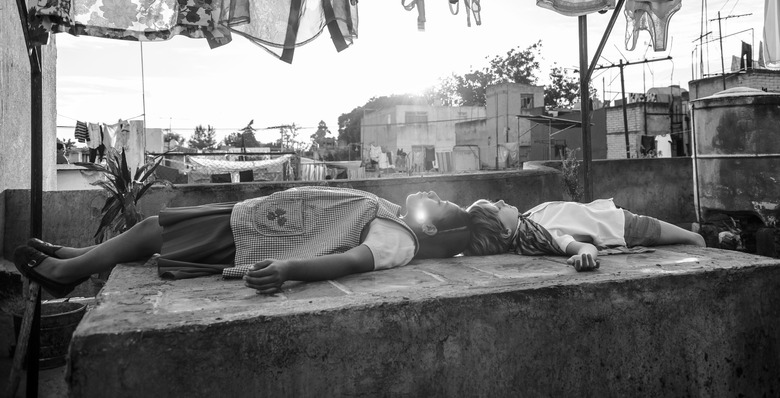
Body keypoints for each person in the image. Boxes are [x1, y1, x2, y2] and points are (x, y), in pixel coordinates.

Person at [15, 187, 471, 298]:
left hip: (254, 237)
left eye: (440, 205)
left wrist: (288, 270)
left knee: (155, 229)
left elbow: (352, 260)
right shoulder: (392, 214)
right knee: (151, 229)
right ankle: (78, 257)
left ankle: (66, 273)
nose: (432, 195)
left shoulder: (399, 239)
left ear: (429, 229)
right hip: (254, 220)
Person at [466, 198, 706, 271]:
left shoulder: (525, 224)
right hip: (623, 227)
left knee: (690, 239)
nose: (500, 201)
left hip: (615, 218)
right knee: (693, 239)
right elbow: (577, 246)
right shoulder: (538, 235)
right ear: (506, 231)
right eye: (496, 209)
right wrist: (585, 256)